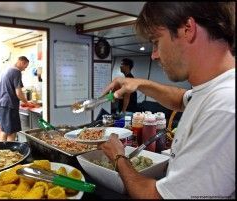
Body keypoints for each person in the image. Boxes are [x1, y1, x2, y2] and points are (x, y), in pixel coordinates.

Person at [99, 2, 235, 199]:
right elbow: (181, 100)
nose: (154, 55)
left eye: (156, 41)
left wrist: (118, 156)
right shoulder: (211, 91)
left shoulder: (224, 106)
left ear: (188, 29)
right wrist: (138, 83)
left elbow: (157, 196)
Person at [0, 56, 30, 142]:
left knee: (4, 130)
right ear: (22, 62)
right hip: (10, 105)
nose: (24, 69)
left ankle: (2, 153)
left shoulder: (7, 70)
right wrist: (27, 102)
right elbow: (18, 93)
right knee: (11, 132)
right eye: (25, 66)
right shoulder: (16, 72)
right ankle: (9, 154)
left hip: (2, 104)